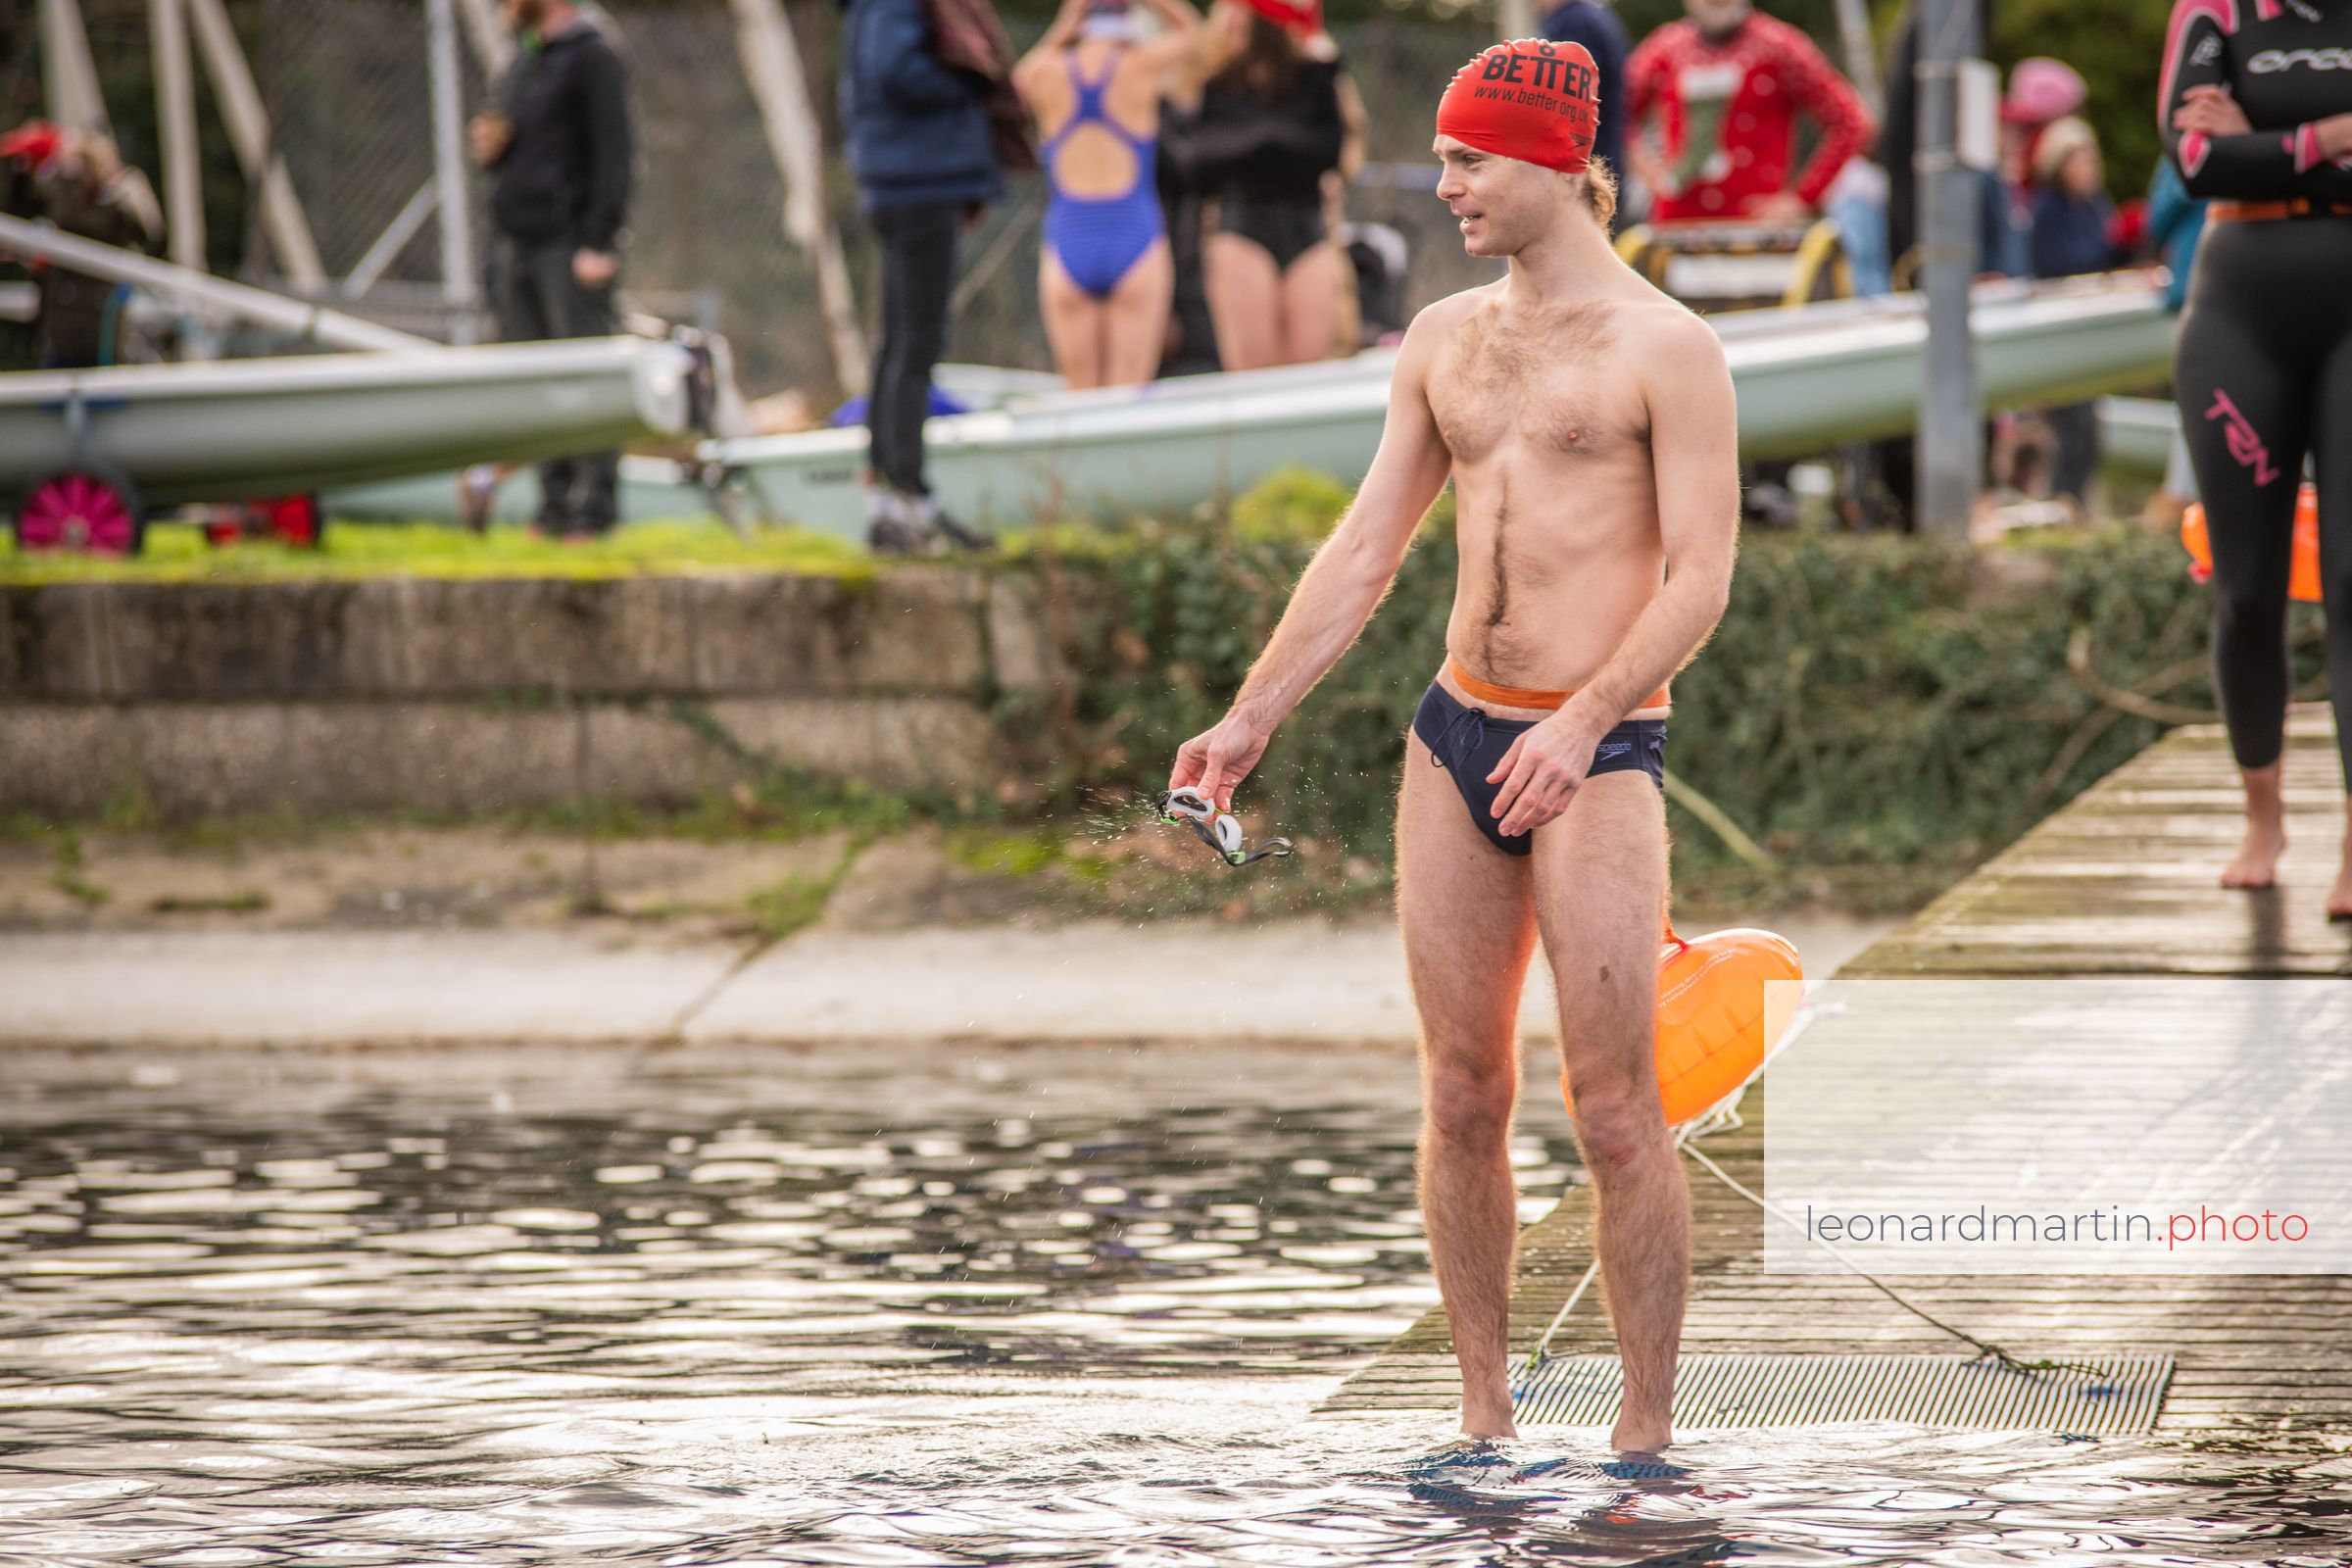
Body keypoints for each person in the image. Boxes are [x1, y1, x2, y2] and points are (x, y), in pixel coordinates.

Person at [1166, 38, 1740, 1450]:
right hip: (1457, 734)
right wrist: (1251, 715)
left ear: (1556, 162)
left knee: (1616, 1108)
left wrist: (1586, 720)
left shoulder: (1669, 348)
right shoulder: (1441, 338)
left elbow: (1702, 580)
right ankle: (1485, 1418)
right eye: (1443, 159)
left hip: (1600, 753)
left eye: (1469, 160)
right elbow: (1368, 547)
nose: (1445, 187)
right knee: (1463, 1091)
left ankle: (1646, 1439)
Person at [2159, 0, 2352, 918]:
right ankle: (2264, 817)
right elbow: (2197, 162)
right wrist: (2336, 135)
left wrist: (2267, 142)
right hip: (2240, 313)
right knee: (2245, 586)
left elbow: (2235, 152)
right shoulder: (2219, 11)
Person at [839, 0, 1005, 553]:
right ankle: (907, 498)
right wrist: (971, 84)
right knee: (916, 345)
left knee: (899, 343)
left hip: (902, 179)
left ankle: (891, 501)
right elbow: (895, 68)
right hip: (920, 182)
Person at [470, 0, 633, 539]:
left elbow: (616, 152)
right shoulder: (523, 58)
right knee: (534, 383)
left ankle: (592, 511)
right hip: (516, 241)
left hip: (570, 246)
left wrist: (599, 240)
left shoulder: (593, 56)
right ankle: (554, 506)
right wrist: (494, 151)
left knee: (586, 377)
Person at [1015, 0, 1201, 389]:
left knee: (1081, 395)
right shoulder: (1139, 66)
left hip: (1069, 238)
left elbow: (1014, 87)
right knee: (1127, 396)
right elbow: (1192, 34)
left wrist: (1063, 27)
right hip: (1135, 236)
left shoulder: (1048, 71)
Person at [1177, 0, 1348, 369]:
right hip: (1243, 230)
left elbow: (1326, 151)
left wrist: (1255, 146)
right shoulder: (1219, 84)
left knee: (1308, 367)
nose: (1229, 19)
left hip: (1307, 230)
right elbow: (1201, 164)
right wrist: (1274, 144)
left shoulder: (1313, 76)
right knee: (1253, 369)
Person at [1624, 0, 1870, 225]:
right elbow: (1616, 111)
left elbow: (1851, 121)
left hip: (1756, 230)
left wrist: (1802, 198)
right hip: (1676, 225)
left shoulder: (1779, 46)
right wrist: (1647, 168)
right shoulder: (1665, 48)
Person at [2026, 117, 2119, 512]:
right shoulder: (2048, 209)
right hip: (2061, 328)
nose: (2088, 169)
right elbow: (2058, 264)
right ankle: (2060, 500)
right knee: (2068, 424)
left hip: (2091, 327)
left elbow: (2106, 254)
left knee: (2088, 427)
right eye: (2079, 161)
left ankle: (2075, 501)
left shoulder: (2095, 205)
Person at [2141, 155, 2206, 530]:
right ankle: (2180, 502)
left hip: (2248, 288)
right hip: (2190, 291)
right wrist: (2195, 174)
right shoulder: (2180, 153)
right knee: (2193, 398)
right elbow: (2157, 221)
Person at [1539, 0, 1630, 225]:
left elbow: (1562, 103)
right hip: (1602, 167)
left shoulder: (1573, 22)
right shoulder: (1593, 16)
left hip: (1581, 173)